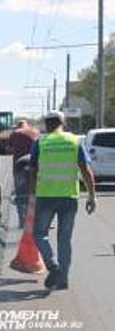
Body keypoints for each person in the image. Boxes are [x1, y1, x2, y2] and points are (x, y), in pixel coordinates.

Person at [29, 111, 97, 290]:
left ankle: (53, 266)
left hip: (45, 197)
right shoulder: (74, 141)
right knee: (64, 239)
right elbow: (86, 171)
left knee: (39, 234)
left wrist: (32, 194)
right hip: (69, 197)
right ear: (63, 122)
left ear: (46, 124)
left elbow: (33, 171)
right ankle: (63, 279)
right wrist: (92, 196)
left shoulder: (40, 142)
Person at [8, 120, 40, 228]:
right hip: (35, 166)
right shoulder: (36, 132)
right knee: (36, 192)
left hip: (19, 166)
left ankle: (22, 220)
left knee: (19, 194)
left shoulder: (15, 133)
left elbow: (9, 148)